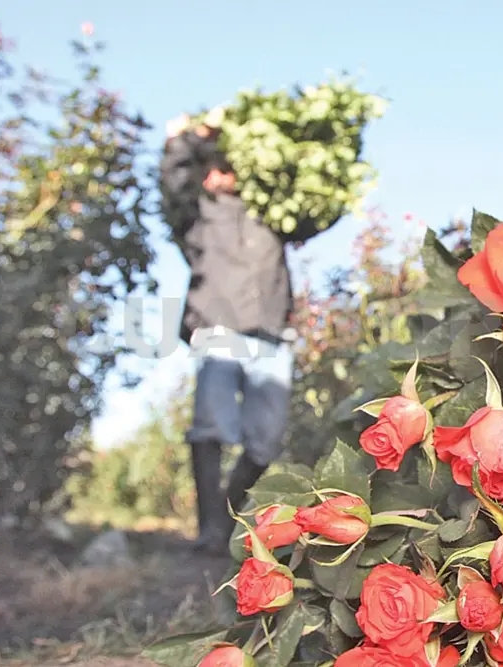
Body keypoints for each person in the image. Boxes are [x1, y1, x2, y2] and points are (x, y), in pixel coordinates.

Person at [160, 112, 296, 554]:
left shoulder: (271, 213)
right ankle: (211, 532)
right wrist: (186, 139)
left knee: (266, 439)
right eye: (212, 167)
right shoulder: (196, 213)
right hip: (218, 328)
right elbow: (175, 183)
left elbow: (319, 209)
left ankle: (227, 512)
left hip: (272, 332)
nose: (220, 175)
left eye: (228, 165)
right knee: (212, 426)